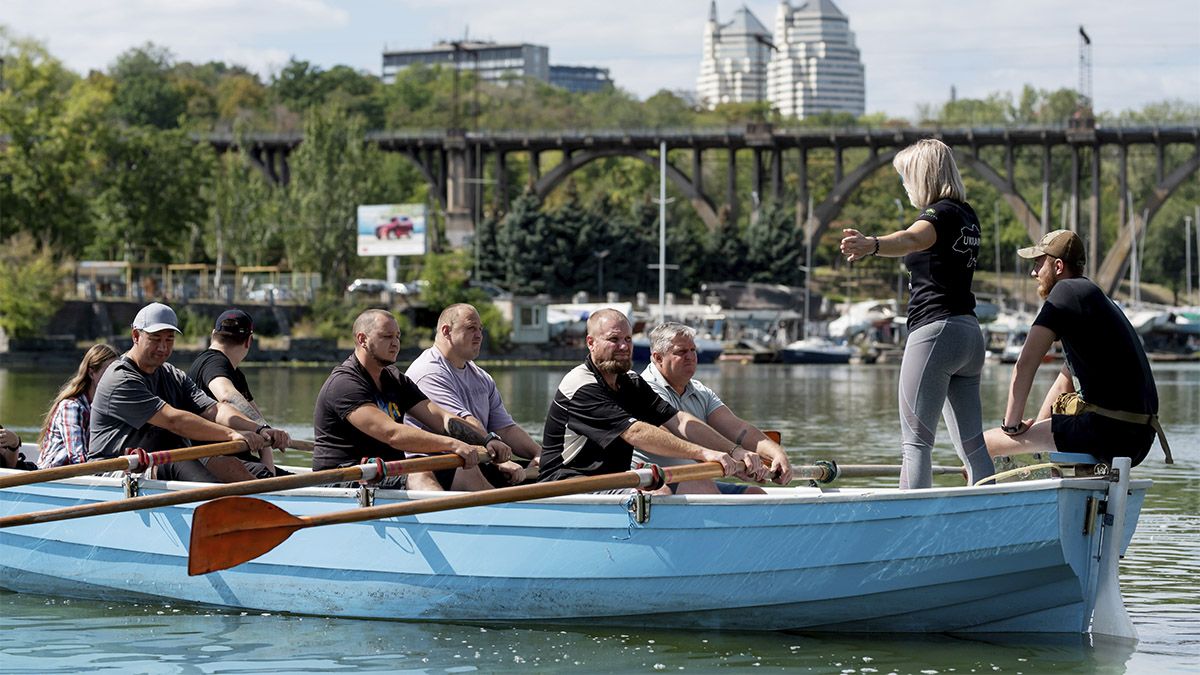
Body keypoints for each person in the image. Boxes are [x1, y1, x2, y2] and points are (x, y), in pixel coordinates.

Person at [840, 138, 993, 489]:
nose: (904, 185)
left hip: (935, 333)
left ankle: (910, 530)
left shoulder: (938, 215)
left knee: (916, 441)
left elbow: (911, 239)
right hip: (969, 335)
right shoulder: (968, 215)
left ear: (922, 176)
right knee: (972, 445)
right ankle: (988, 514)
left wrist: (872, 245)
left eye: (905, 177)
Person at [983, 230, 1169, 467]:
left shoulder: (1065, 292)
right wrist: (1035, 442)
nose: (1033, 272)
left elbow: (1025, 363)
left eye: (1039, 264)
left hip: (1107, 431)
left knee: (984, 446)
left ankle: (986, 503)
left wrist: (1011, 427)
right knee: (1055, 453)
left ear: (1058, 266)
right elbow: (1064, 381)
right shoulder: (1093, 298)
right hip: (1138, 437)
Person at [538, 308, 764, 490]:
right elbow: (635, 432)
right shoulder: (581, 386)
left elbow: (679, 421)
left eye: (628, 339)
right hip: (568, 486)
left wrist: (735, 451)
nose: (624, 346)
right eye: (614, 339)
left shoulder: (629, 382)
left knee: (748, 492)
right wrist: (704, 453)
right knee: (665, 492)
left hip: (613, 480)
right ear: (591, 343)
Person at [312, 309, 504, 491]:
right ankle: (439, 524)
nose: (395, 343)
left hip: (385, 471)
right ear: (362, 339)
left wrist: (486, 440)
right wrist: (452, 444)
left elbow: (442, 418)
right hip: (342, 478)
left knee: (465, 470)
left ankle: (499, 519)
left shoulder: (395, 379)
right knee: (420, 474)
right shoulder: (345, 384)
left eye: (398, 336)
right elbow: (392, 434)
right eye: (387, 337)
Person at [88, 302, 275, 482]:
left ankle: (258, 505)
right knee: (182, 463)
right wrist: (232, 434)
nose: (163, 347)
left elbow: (215, 410)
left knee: (230, 466)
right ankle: (220, 507)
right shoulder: (121, 378)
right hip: (114, 471)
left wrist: (259, 428)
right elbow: (174, 421)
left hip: (161, 461)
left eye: (169, 339)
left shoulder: (172, 374)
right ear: (136, 336)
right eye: (155, 339)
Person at [639, 322, 794, 494]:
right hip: (650, 482)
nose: (690, 356)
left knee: (755, 493)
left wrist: (777, 454)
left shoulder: (700, 391)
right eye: (681, 352)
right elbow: (671, 435)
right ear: (658, 358)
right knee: (703, 487)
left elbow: (739, 429)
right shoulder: (641, 389)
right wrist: (734, 454)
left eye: (693, 350)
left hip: (693, 480)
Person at [405, 303, 540, 489]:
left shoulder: (481, 377)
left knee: (550, 471)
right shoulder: (428, 373)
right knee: (468, 469)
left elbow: (505, 429)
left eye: (480, 330)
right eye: (471, 328)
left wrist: (538, 453)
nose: (479, 336)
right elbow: (460, 424)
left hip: (479, 457)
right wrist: (497, 454)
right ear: (446, 331)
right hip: (435, 466)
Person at [187, 309, 292, 478]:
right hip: (214, 462)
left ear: (213, 335)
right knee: (269, 476)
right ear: (249, 341)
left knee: (290, 478)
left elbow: (258, 420)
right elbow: (227, 395)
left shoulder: (235, 374)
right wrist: (262, 430)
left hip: (237, 458)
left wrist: (265, 434)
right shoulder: (213, 363)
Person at [35, 343, 119, 469]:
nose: (115, 378)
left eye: (117, 372)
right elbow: (78, 458)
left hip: (81, 473)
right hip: (53, 475)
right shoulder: (72, 407)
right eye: (108, 372)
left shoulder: (108, 407)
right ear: (91, 373)